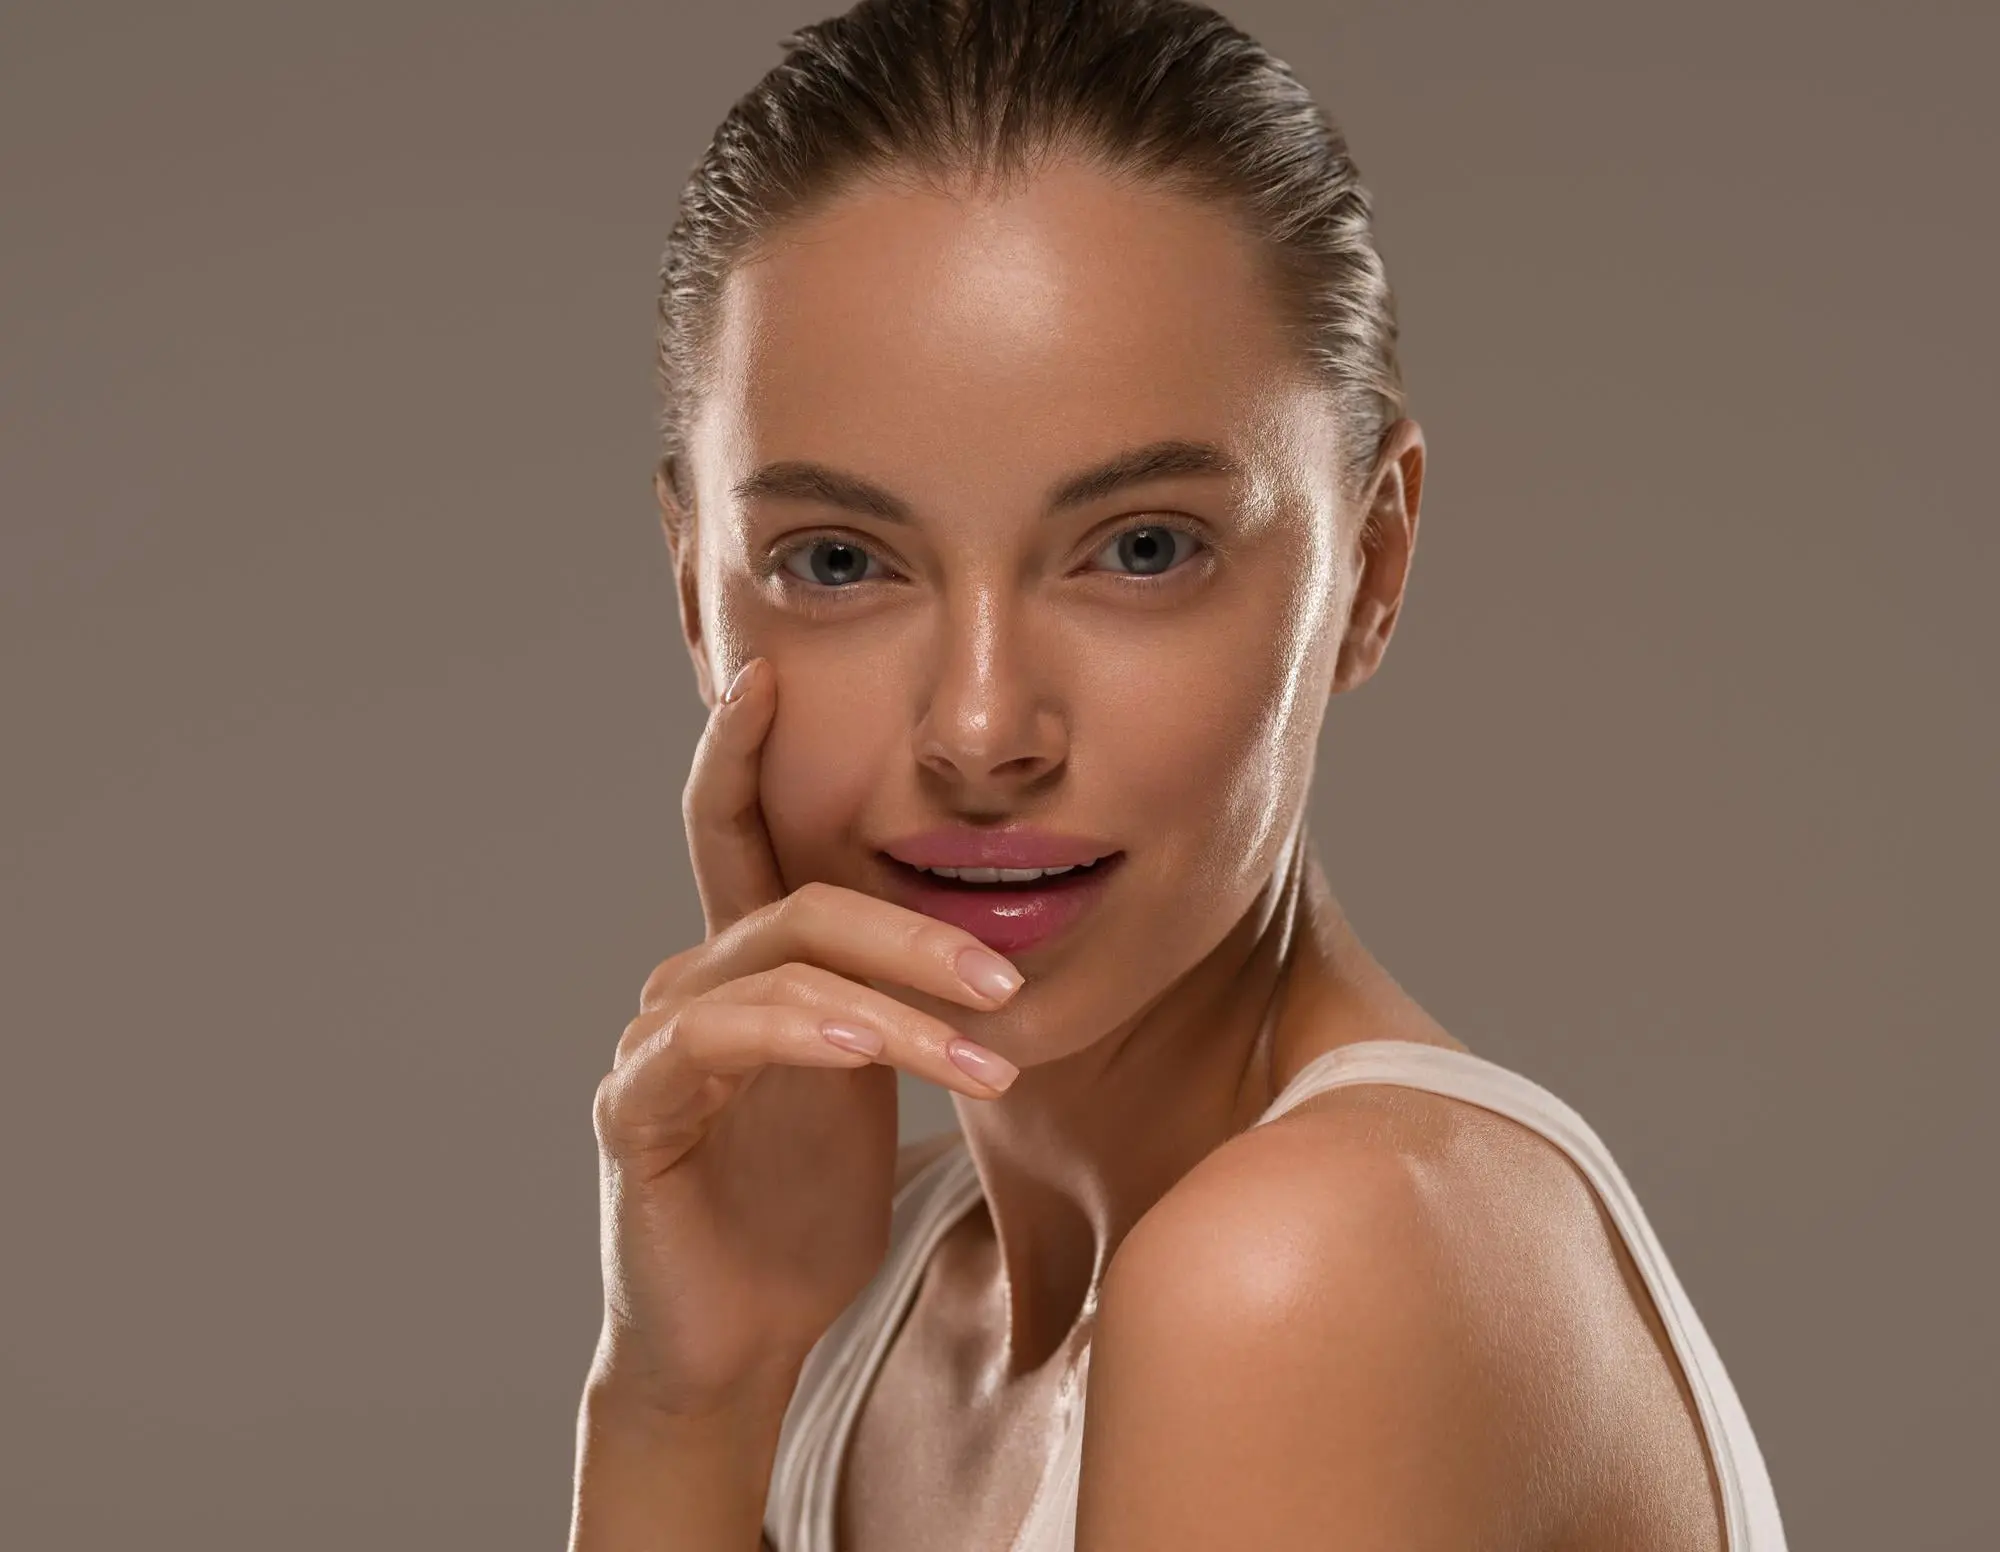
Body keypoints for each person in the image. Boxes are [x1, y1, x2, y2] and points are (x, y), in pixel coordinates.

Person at [567, 1, 1788, 1548]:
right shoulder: (855, 1281)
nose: (982, 725)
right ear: (695, 591)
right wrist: (691, 1390)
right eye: (837, 560)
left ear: (1373, 567)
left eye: (1143, 549)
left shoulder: (1317, 1264)